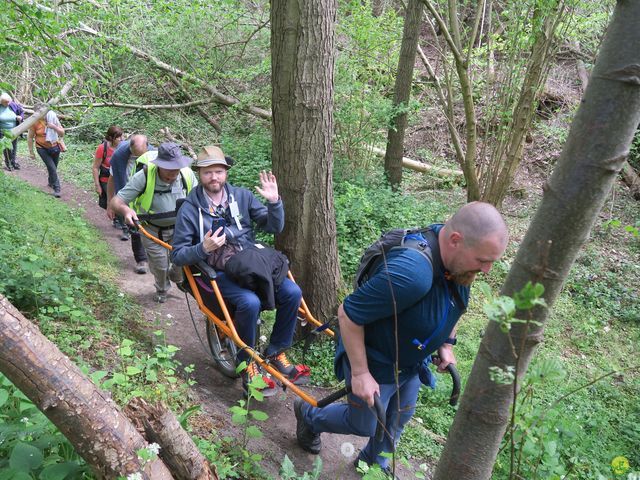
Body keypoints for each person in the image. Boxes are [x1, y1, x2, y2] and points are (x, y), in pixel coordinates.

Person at [294, 202, 509, 476]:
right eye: (483, 261)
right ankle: (309, 417)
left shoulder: (458, 265)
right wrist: (360, 373)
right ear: (456, 240)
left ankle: (374, 462)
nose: (488, 269)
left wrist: (445, 344)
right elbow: (348, 314)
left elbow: (452, 305)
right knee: (364, 424)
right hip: (375, 361)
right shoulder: (412, 275)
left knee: (399, 417)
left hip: (410, 365)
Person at [171, 146, 308, 397]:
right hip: (218, 270)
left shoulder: (241, 197)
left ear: (226, 173)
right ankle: (248, 364)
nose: (214, 177)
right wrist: (203, 248)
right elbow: (177, 254)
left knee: (292, 291)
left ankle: (276, 350)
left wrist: (274, 202)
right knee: (249, 302)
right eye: (208, 172)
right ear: (199, 174)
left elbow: (274, 226)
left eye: (219, 172)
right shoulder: (190, 209)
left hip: (251, 264)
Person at [110, 142, 197, 303]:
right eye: (168, 169)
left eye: (176, 168)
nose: (173, 173)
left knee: (180, 263)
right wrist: (126, 211)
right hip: (151, 230)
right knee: (160, 265)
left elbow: (199, 200)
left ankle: (176, 276)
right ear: (159, 165)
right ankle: (162, 289)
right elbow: (116, 201)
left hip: (180, 229)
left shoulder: (186, 175)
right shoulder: (144, 176)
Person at [107, 134, 152, 274]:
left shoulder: (154, 156)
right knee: (135, 229)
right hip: (129, 199)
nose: (138, 158)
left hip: (148, 198)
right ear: (130, 147)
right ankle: (141, 260)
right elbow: (112, 180)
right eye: (135, 155)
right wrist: (110, 202)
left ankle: (154, 257)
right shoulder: (119, 157)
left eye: (141, 155)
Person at [27, 109, 65, 198]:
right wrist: (31, 152)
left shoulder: (52, 118)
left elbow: (62, 133)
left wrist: (54, 127)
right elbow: (30, 137)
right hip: (41, 148)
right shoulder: (34, 122)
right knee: (52, 168)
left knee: (53, 167)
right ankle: (57, 189)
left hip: (55, 147)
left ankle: (51, 182)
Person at [93, 125, 123, 215]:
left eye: (122, 136)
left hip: (120, 179)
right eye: (118, 137)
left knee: (120, 199)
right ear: (111, 138)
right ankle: (119, 221)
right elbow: (95, 167)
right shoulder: (102, 148)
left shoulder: (123, 147)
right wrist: (97, 185)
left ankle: (119, 220)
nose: (121, 139)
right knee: (114, 199)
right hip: (105, 180)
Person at [0, 93, 24, 171]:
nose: (7, 103)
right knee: (7, 148)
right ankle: (9, 164)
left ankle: (13, 162)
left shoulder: (12, 105)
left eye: (8, 102)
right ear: (1, 101)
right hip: (3, 131)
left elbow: (21, 112)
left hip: (14, 130)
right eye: (5, 102)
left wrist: (20, 117)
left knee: (13, 147)